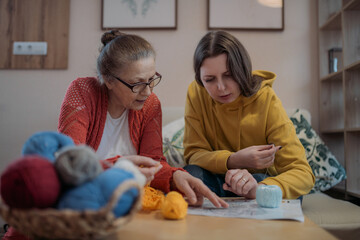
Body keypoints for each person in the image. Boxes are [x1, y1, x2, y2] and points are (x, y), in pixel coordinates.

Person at [57, 30, 227, 208]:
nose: (147, 92)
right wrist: (119, 166)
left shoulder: (150, 104)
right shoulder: (82, 92)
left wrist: (175, 176)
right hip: (84, 202)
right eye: (137, 84)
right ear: (109, 80)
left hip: (130, 203)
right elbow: (69, 162)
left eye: (151, 80)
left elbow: (153, 162)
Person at [183, 31, 315, 199]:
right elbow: (193, 155)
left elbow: (303, 173)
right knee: (189, 175)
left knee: (276, 191)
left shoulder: (266, 99)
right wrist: (233, 160)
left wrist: (259, 188)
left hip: (258, 182)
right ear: (200, 79)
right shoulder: (196, 93)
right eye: (209, 79)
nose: (221, 87)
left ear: (243, 70)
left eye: (229, 75)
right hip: (216, 180)